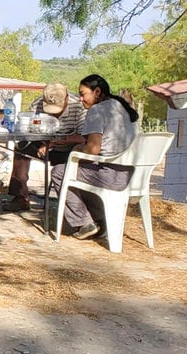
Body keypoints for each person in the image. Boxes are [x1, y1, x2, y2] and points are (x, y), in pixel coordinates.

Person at [51, 74, 138, 240]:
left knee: (60, 171)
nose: (81, 99)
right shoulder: (122, 107)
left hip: (112, 175)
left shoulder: (97, 110)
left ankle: (84, 222)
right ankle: (99, 220)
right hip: (132, 174)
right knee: (83, 172)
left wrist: (76, 148)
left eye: (83, 94)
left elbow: (92, 150)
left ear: (97, 92)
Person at [3, 83, 86, 212]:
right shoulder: (37, 104)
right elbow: (29, 128)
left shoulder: (79, 107)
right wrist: (42, 142)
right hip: (44, 143)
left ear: (66, 99)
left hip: (69, 148)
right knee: (21, 148)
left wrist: (56, 141)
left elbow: (83, 137)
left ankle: (73, 205)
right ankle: (20, 196)